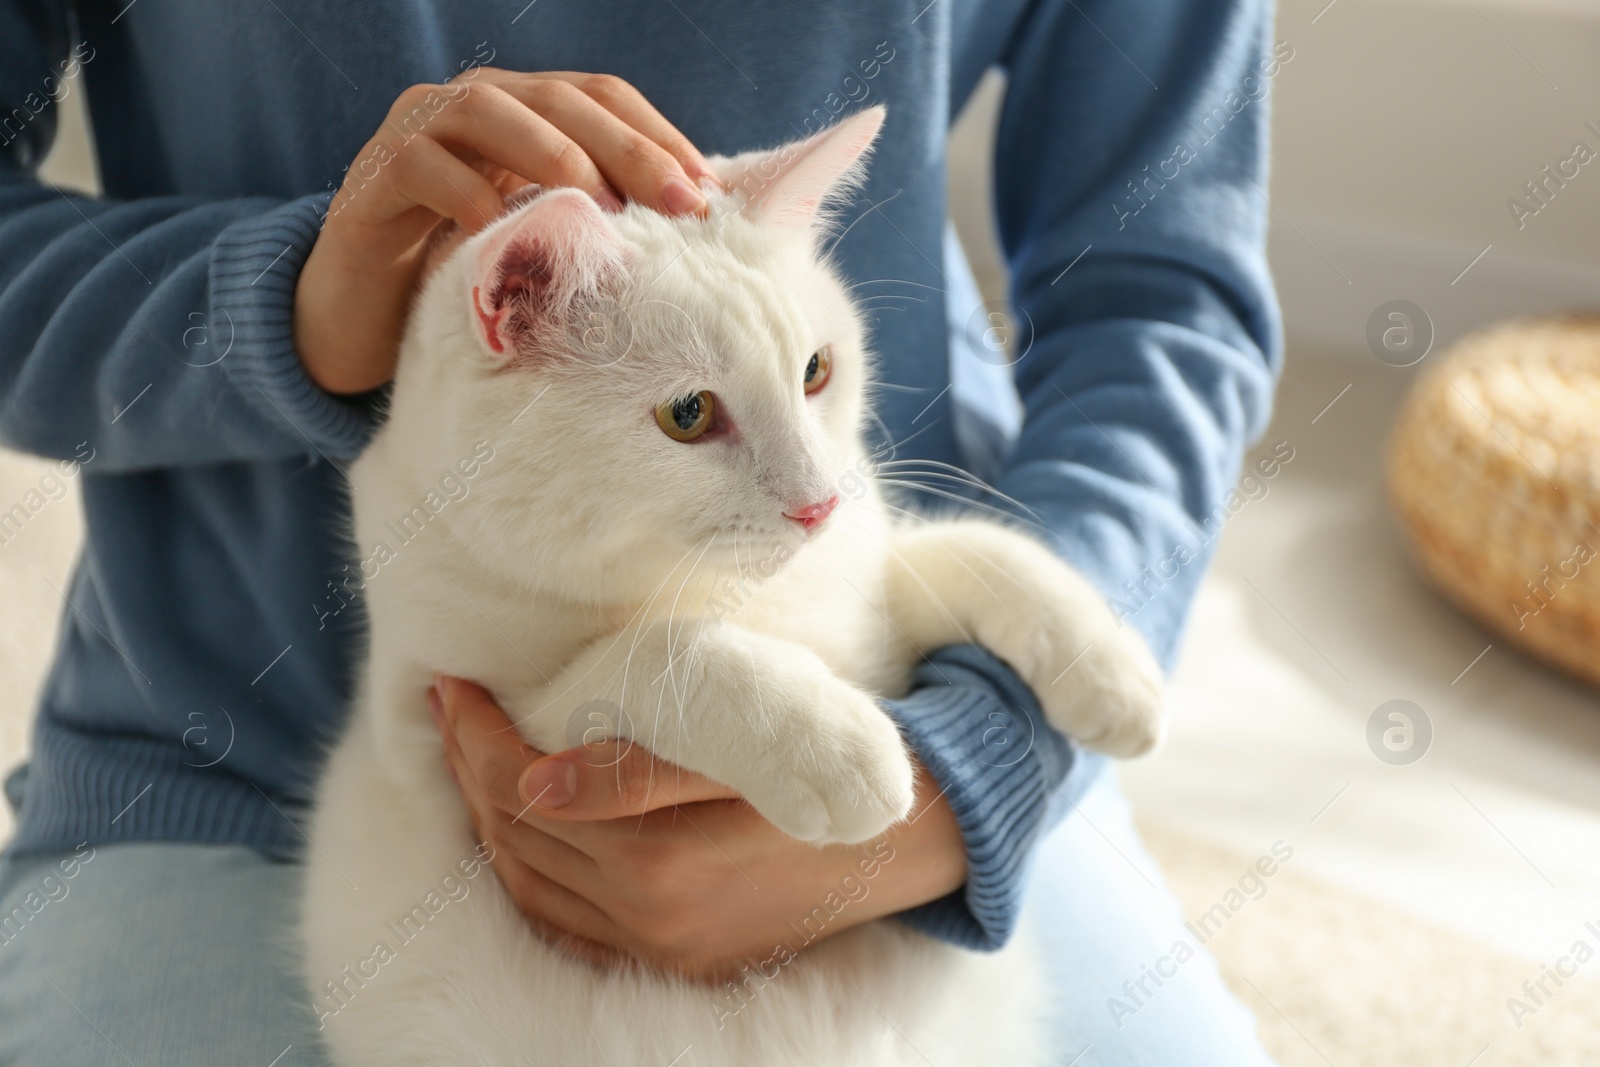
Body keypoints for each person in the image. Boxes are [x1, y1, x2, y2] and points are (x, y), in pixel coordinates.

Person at [0, 1, 1283, 1063]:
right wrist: (287, 307)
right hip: (225, 744)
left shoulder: (813, 475)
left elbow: (1163, 294)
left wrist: (979, 768)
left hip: (921, 711)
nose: (810, 487)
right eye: (691, 415)